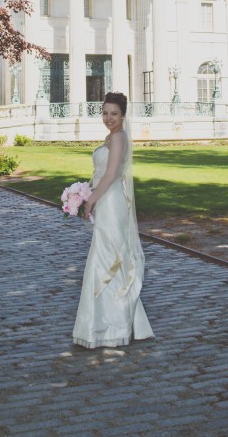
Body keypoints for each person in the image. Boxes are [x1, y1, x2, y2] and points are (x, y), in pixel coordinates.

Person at [72, 92, 154, 349]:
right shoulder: (110, 137)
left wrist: (91, 199)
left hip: (112, 200)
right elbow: (100, 174)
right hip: (105, 199)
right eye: (105, 113)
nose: (109, 118)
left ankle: (112, 326)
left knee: (108, 257)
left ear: (123, 115)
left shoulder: (118, 138)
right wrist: (83, 192)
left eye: (114, 114)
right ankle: (105, 323)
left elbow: (110, 175)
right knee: (105, 255)